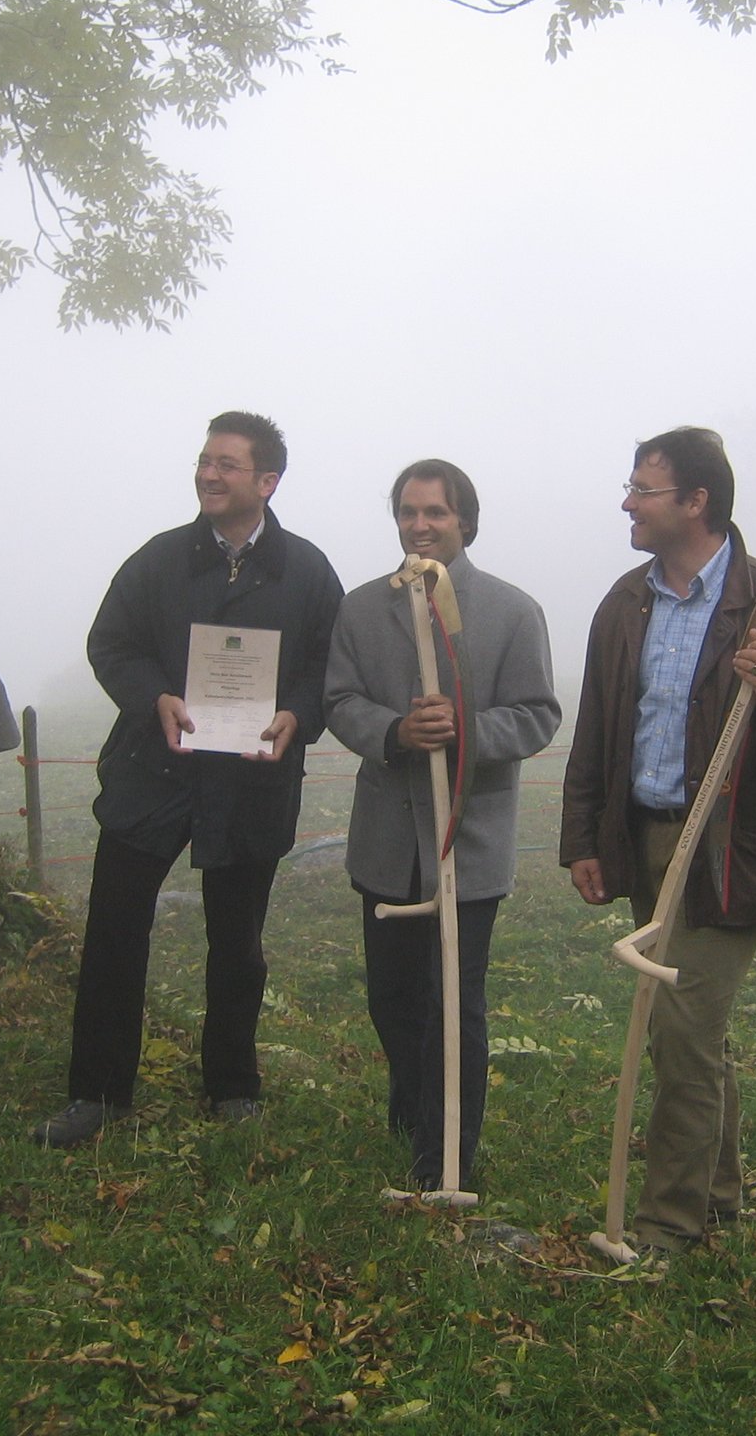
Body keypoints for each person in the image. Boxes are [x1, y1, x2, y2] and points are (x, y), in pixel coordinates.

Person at [559, 427, 756, 1257]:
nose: (627, 503)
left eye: (642, 489)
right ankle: (720, 1199)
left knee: (683, 1031)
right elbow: (597, 730)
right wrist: (582, 837)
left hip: (727, 852)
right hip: (646, 842)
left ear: (696, 501)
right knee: (689, 1028)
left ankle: (667, 1227)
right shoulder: (627, 602)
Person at [33, 412, 342, 1146]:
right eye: (205, 460)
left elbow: (329, 666)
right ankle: (98, 1093)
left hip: (251, 781)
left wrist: (297, 714)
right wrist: (155, 699)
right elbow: (110, 644)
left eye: (227, 464)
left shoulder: (307, 572)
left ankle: (232, 1086)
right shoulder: (159, 560)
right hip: (152, 772)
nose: (208, 474)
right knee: (114, 932)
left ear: (267, 482)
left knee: (238, 944)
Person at [325, 460, 560, 1189]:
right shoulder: (362, 608)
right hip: (387, 845)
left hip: (469, 840)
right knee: (392, 999)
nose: (420, 525)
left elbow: (538, 714)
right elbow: (339, 699)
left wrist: (466, 729)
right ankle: (412, 1111)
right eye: (408, 511)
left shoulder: (513, 611)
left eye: (436, 512)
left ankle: (445, 1154)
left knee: (452, 1001)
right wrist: (395, 731)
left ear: (465, 521)